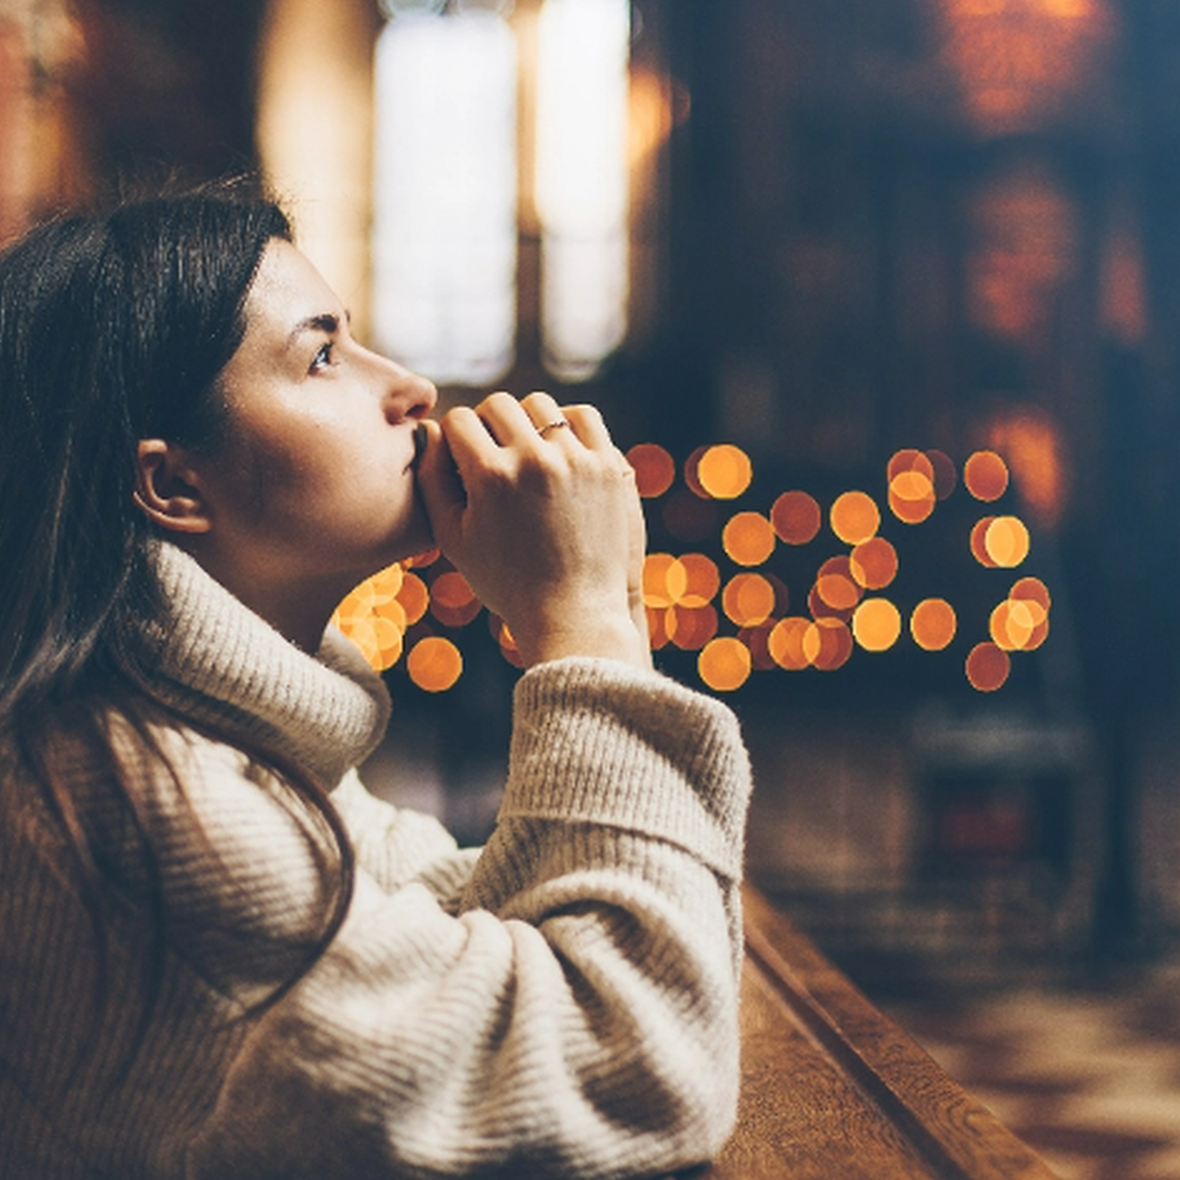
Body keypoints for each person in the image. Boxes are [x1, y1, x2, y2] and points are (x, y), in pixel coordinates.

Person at [0, 182, 752, 1179]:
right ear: (173, 484)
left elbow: (466, 924)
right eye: (321, 356)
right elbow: (636, 1067)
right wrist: (584, 620)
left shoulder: (197, 726)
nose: (408, 387)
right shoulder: (138, 797)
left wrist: (591, 601)